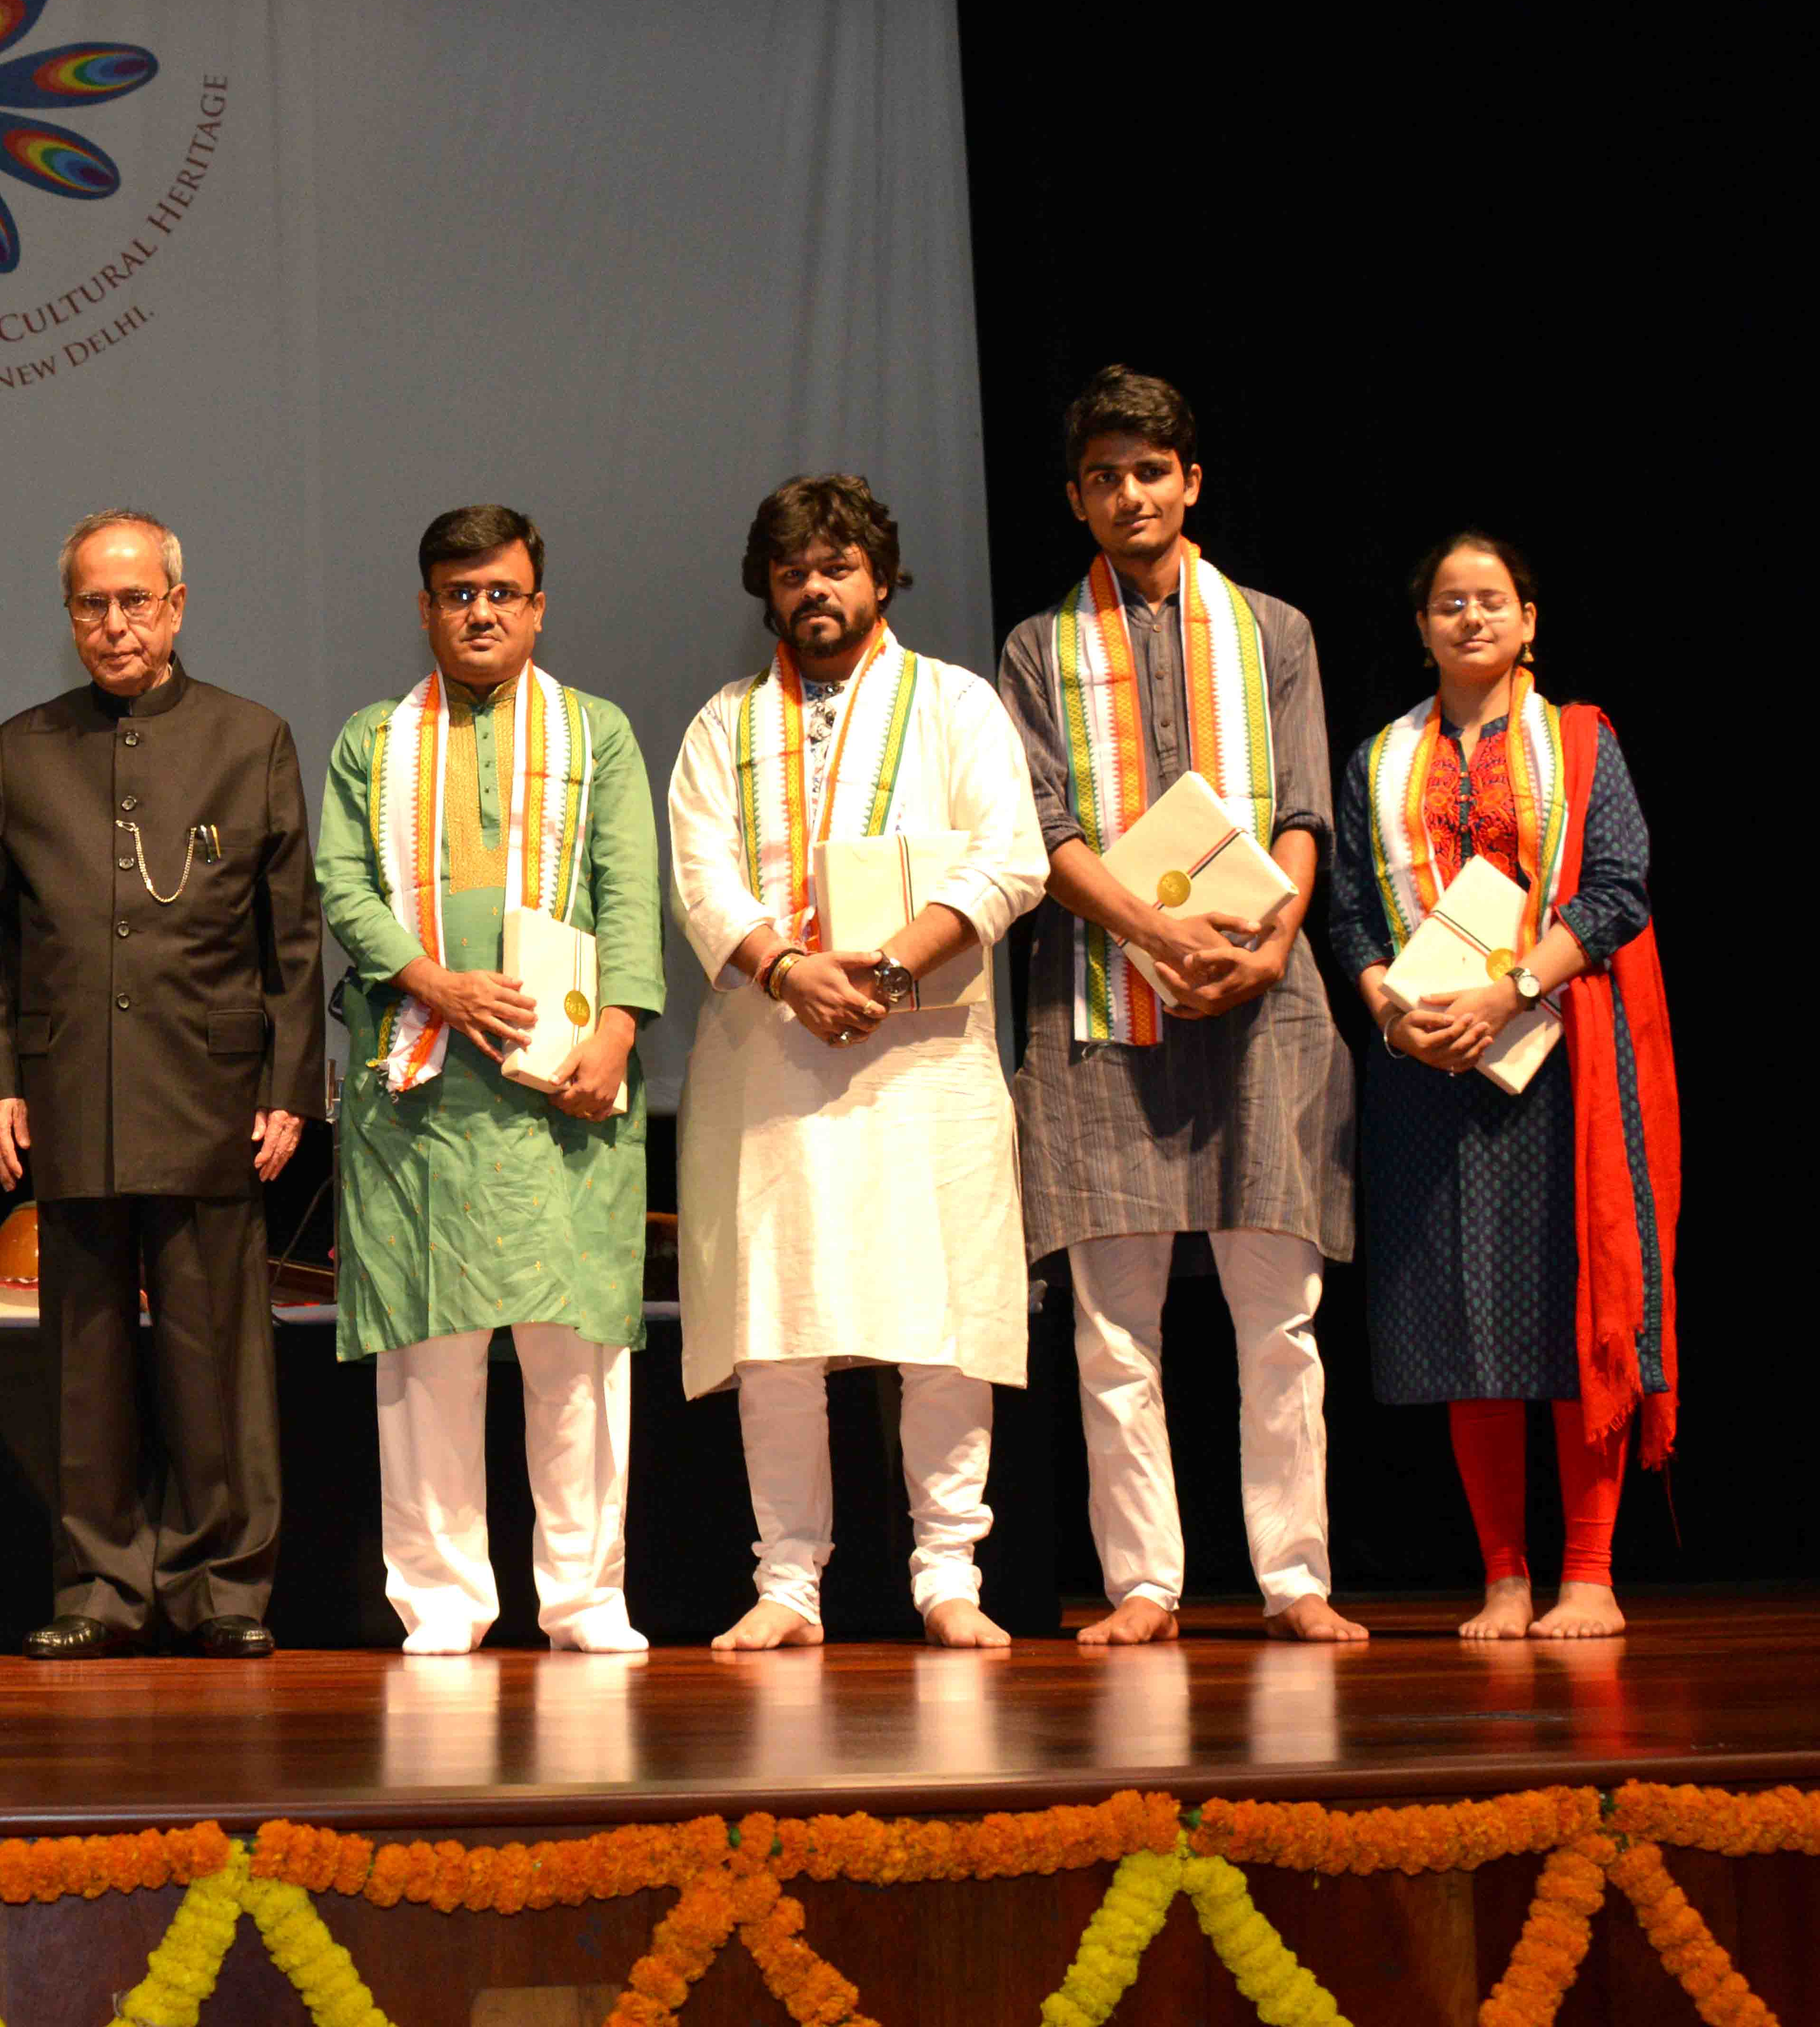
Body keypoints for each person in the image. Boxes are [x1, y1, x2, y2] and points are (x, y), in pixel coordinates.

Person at [997, 368, 1362, 1646]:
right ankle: (1145, 1585)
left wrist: (1269, 946)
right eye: (1104, 476)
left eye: (1151, 471)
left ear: (1190, 482)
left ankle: (1295, 1578)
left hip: (1268, 1006)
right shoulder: (1040, 649)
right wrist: (1152, 929)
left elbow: (1310, 810)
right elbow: (1042, 828)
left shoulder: (1274, 630)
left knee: (1280, 1321)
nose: (1130, 494)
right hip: (1104, 1005)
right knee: (1114, 1328)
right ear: (1076, 499)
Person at [667, 476, 1046, 1650]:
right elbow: (699, 875)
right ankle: (787, 1582)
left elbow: (1009, 857)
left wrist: (883, 966)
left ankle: (948, 1571)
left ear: (878, 577)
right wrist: (789, 970)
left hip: (920, 1052)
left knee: (936, 1316)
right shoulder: (722, 723)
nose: (814, 589)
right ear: (766, 591)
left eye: (835, 566)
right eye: (791, 573)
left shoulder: (957, 703)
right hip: (772, 1052)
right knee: (777, 1324)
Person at [0, 509, 322, 1662]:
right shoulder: (20, 750)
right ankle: (101, 1587)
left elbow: (293, 938)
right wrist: (0, 1081)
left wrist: (287, 1083)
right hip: (68, 1086)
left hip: (211, 1087)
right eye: (89, 605)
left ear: (175, 604)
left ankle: (223, 1589)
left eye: (133, 601)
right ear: (69, 616)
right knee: (86, 1361)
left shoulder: (248, 737)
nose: (112, 625)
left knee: (217, 1357)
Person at [314, 505, 664, 1655]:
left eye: (500, 592)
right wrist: (438, 984)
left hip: (561, 1079)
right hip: (421, 1078)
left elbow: (625, 885)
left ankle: (582, 1596)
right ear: (423, 608)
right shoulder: (371, 738)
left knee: (572, 1346)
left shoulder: (595, 731)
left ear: (536, 606)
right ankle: (443, 1598)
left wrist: (617, 1027)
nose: (479, 611)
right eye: (457, 593)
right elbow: (344, 886)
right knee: (428, 1351)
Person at [1326, 532, 1677, 1641]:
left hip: (1561, 1051)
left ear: (1528, 619)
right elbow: (1344, 911)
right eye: (1446, 603)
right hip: (1428, 1063)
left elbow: (1618, 887)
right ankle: (1502, 1573)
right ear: (1420, 626)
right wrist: (1391, 1008)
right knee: (1462, 1318)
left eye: (1490, 601)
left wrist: (1513, 987)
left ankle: (1585, 1571)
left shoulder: (1578, 743)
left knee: (1571, 1306)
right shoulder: (1379, 758)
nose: (1469, 619)